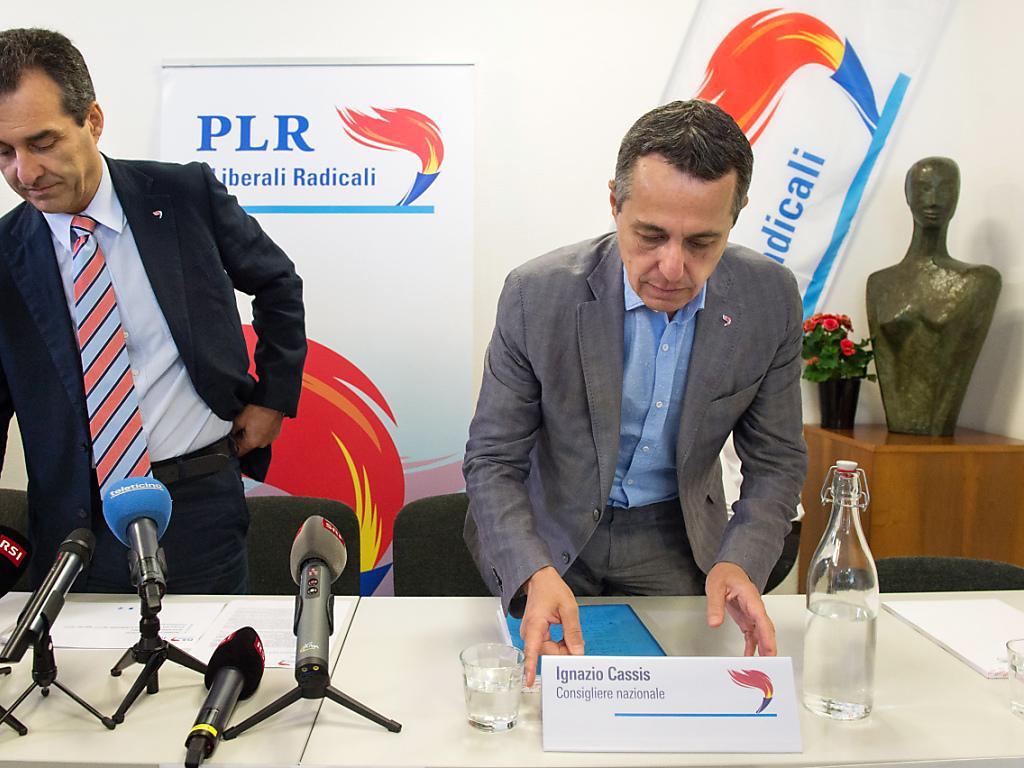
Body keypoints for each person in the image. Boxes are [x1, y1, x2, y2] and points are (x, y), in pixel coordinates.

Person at [463, 100, 806, 683]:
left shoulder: (768, 299)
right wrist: (531, 570)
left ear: (737, 216)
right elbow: (493, 459)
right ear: (614, 204)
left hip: (676, 539)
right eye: (650, 236)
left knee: (673, 703)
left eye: (701, 242)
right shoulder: (535, 295)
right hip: (550, 531)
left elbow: (777, 461)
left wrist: (742, 561)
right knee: (542, 707)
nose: (671, 267)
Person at [0, 28, 306, 592]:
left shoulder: (183, 194)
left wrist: (273, 399)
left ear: (92, 121)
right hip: (74, 525)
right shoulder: (4, 255)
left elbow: (277, 284)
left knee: (210, 649)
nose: (26, 172)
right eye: (4, 152)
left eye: (42, 143)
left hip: (197, 503)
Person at [866, 156, 1001, 436]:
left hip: (939, 425)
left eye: (945, 188)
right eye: (924, 188)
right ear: (908, 195)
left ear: (957, 195)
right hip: (897, 423)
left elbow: (958, 367)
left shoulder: (977, 282)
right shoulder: (880, 283)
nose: (934, 200)